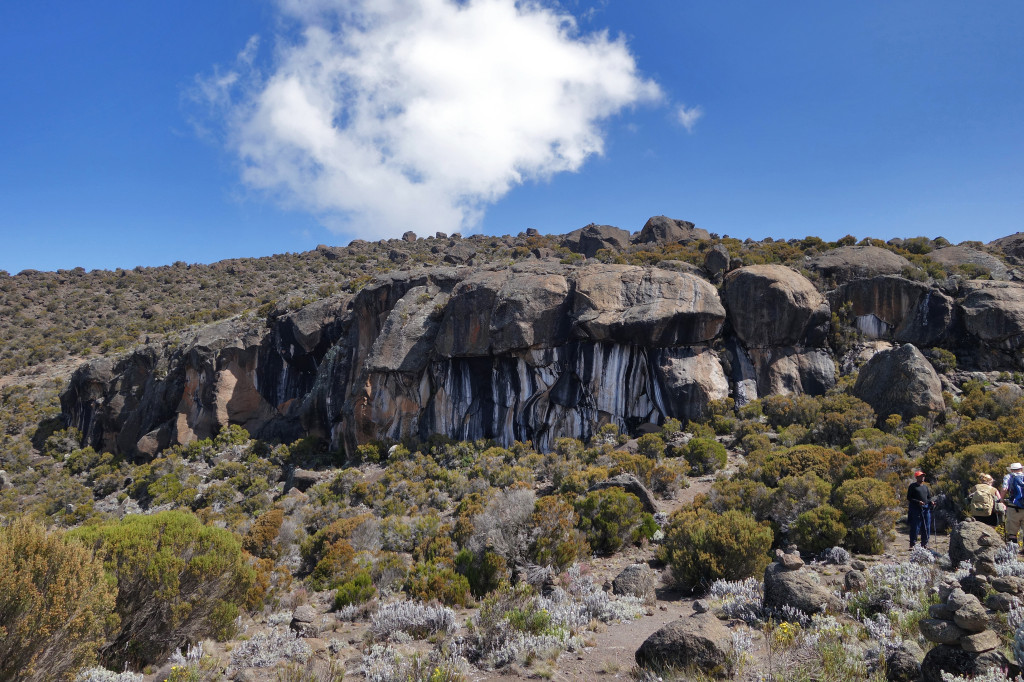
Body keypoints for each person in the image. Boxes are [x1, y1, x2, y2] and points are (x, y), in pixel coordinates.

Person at [907, 470, 932, 549]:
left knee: (926, 526)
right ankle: (912, 544)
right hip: (915, 509)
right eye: (921, 476)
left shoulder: (925, 487)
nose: (923, 477)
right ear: (917, 477)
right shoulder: (912, 486)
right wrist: (918, 502)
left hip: (925, 509)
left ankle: (924, 543)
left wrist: (931, 503)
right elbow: (909, 497)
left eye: (923, 476)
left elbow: (929, 498)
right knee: (915, 526)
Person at [1004, 463, 1024, 543]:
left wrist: (1001, 500)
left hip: (1013, 507)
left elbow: (1004, 489)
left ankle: (1012, 552)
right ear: (1021, 469)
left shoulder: (1008, 477)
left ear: (1011, 470)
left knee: (1012, 533)